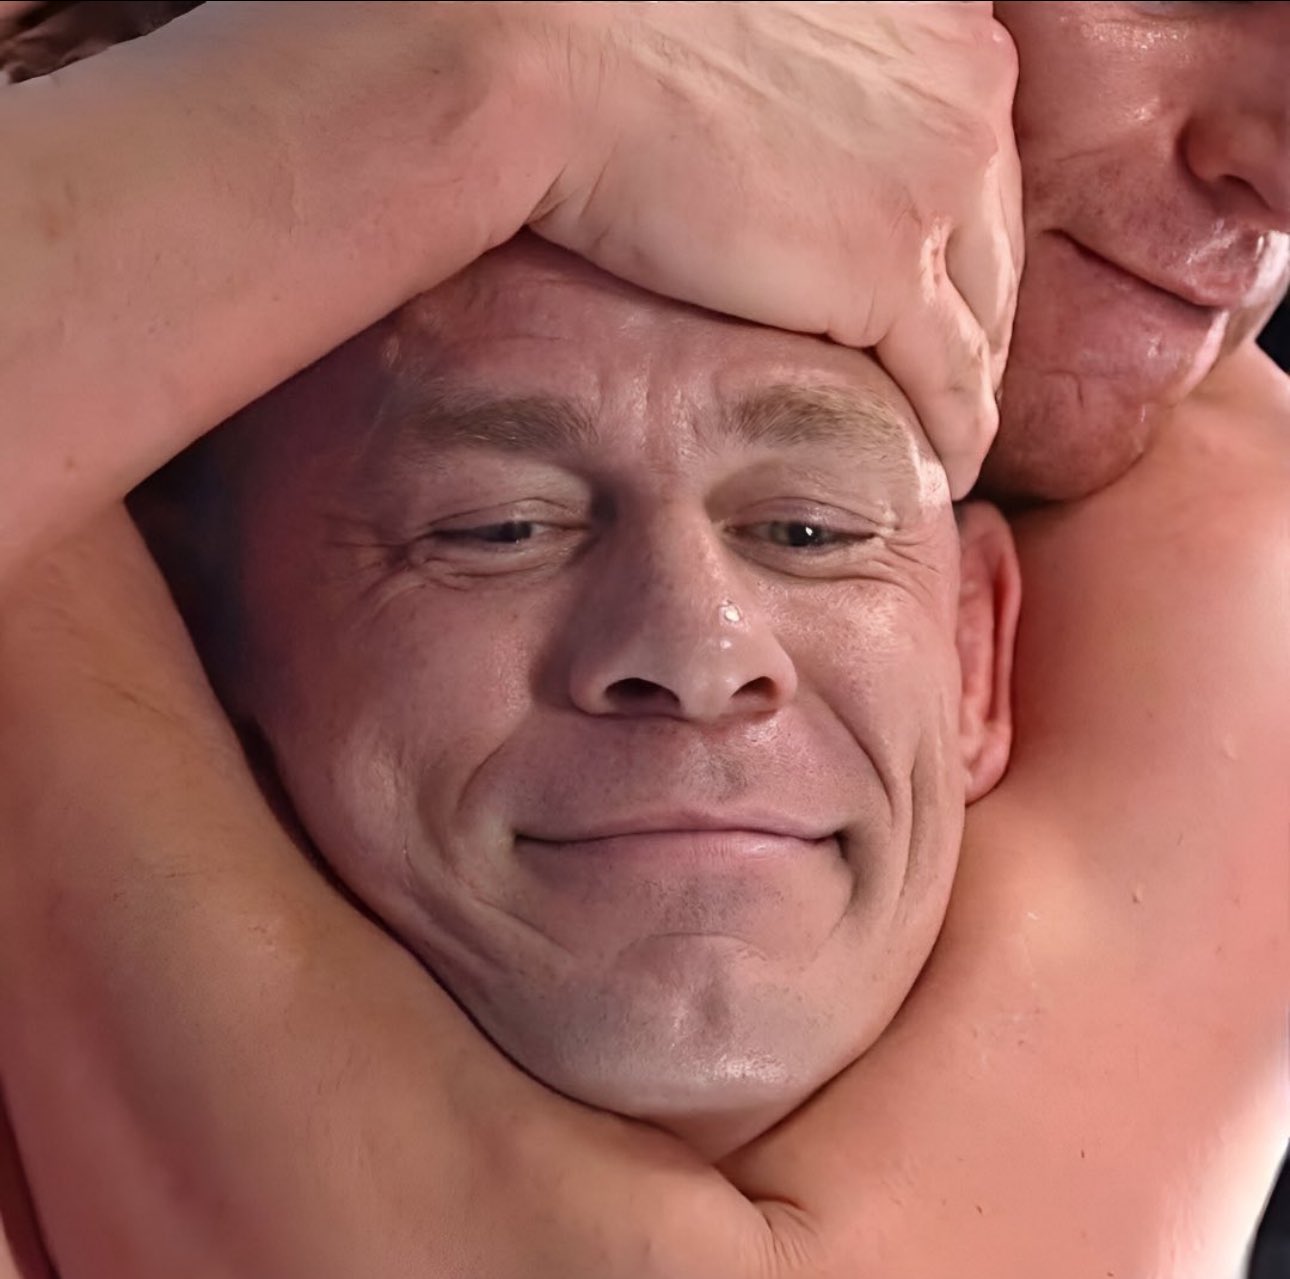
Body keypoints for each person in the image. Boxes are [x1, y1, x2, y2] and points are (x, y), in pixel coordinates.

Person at [1, 2, 1286, 1277]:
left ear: (977, 647)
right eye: (501, 529)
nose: (703, 650)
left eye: (808, 529)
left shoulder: (1218, 520)